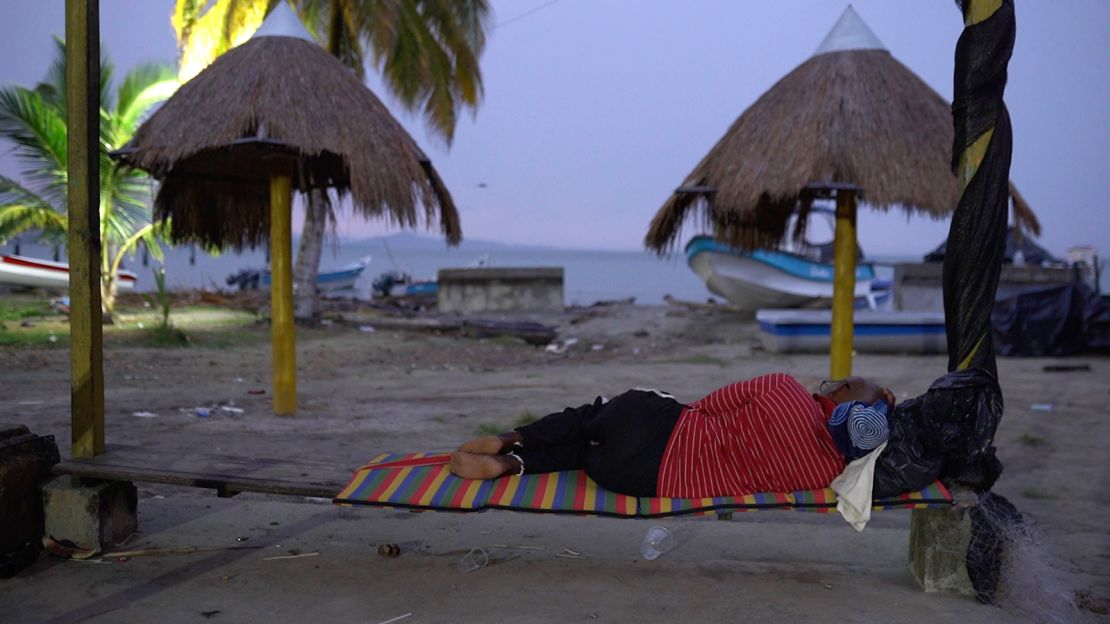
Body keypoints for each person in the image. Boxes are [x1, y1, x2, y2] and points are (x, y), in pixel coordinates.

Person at [449, 372, 896, 498]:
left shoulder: (781, 388)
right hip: (645, 482)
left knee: (591, 415)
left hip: (654, 426)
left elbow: (703, 406)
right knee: (586, 456)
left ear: (837, 392)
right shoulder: (824, 471)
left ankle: (514, 437)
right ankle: (512, 464)